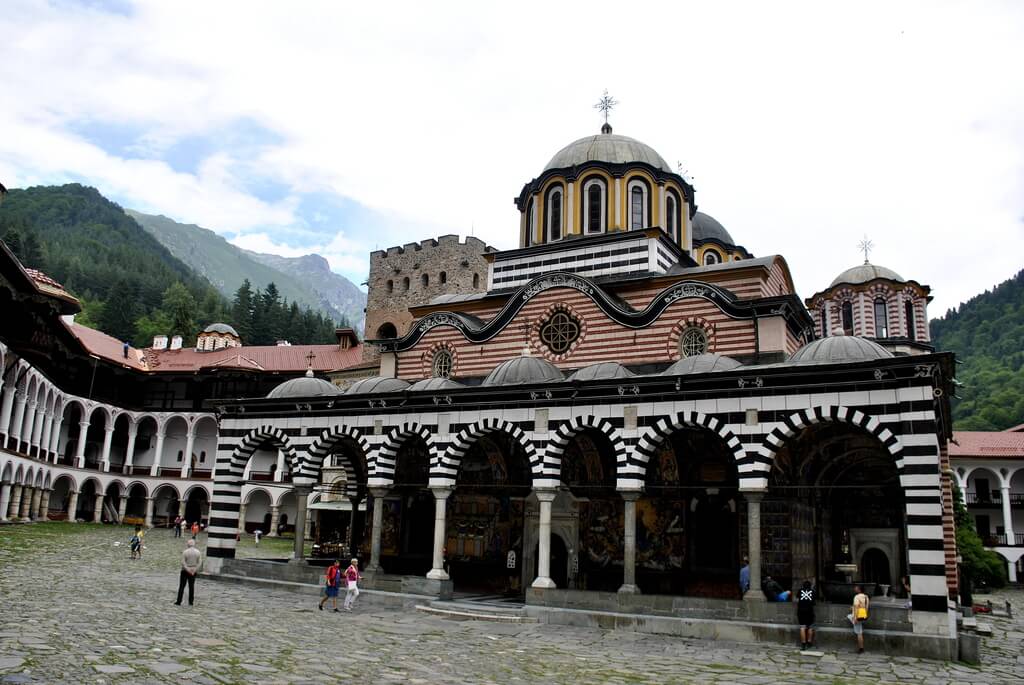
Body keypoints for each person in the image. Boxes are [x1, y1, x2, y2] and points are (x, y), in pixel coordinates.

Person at [175, 539, 202, 606]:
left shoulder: (185, 552)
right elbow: (199, 562)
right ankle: (191, 602)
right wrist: (195, 570)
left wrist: (187, 569)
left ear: (188, 544)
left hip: (185, 571)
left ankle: (179, 601)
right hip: (193, 570)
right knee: (191, 587)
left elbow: (183, 562)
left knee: (182, 586)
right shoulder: (198, 552)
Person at [850, 584, 870, 653]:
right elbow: (866, 607)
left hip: (857, 616)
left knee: (859, 633)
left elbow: (856, 607)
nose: (854, 588)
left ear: (859, 589)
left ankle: (861, 648)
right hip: (863, 615)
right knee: (859, 631)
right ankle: (861, 648)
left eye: (856, 587)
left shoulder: (857, 597)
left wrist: (855, 618)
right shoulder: (866, 597)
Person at [797, 580, 816, 650]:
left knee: (802, 627)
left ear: (803, 585)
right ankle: (809, 642)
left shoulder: (800, 590)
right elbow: (814, 602)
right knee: (810, 627)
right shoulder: (813, 591)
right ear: (810, 586)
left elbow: (797, 597)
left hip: (801, 611)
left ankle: (803, 644)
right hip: (809, 611)